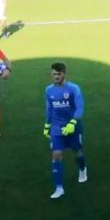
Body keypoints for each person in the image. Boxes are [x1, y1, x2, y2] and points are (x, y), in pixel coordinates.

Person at [44, 62, 87, 199]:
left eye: (59, 74)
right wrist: (47, 125)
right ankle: (59, 188)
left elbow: (80, 108)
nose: (56, 76)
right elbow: (49, 108)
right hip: (56, 126)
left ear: (64, 74)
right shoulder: (49, 90)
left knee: (77, 152)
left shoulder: (74, 89)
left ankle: (82, 169)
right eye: (54, 74)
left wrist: (73, 123)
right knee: (56, 154)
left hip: (73, 126)